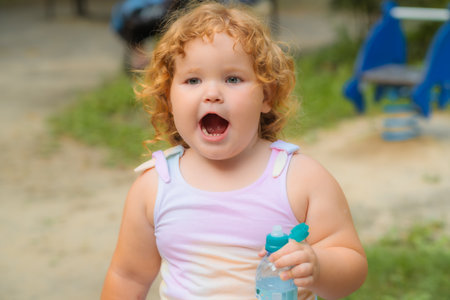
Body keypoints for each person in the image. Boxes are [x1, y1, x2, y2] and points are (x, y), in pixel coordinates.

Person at [101, 1, 368, 299]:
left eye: (232, 79)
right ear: (169, 97)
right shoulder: (154, 187)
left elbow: (352, 264)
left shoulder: (300, 179)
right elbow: (128, 277)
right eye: (193, 80)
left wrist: (319, 266)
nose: (212, 93)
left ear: (266, 95)